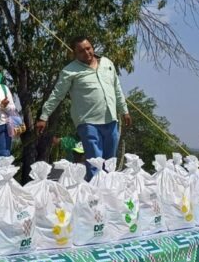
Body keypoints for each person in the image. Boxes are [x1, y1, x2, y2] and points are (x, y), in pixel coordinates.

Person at [35, 37, 131, 179]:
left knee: (110, 162)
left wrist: (124, 110)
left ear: (92, 47)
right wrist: (44, 116)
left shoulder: (107, 63)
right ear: (74, 53)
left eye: (88, 48)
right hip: (88, 122)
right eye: (81, 51)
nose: (86, 53)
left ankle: (109, 188)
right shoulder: (69, 71)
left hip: (111, 119)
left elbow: (117, 88)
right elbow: (57, 95)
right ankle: (95, 189)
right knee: (95, 162)